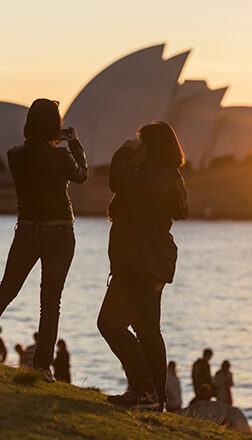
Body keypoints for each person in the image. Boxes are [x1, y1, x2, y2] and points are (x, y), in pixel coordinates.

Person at [0, 98, 88, 383]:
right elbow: (82, 176)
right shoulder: (62, 156)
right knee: (51, 303)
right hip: (59, 232)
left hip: (26, 229)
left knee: (6, 289)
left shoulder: (14, 154)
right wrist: (74, 144)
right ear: (56, 124)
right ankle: (42, 366)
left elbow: (35, 160)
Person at [98, 121, 188, 411]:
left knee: (110, 324)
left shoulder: (155, 176)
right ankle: (153, 399)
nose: (138, 146)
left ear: (154, 147)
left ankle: (145, 390)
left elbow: (118, 181)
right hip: (149, 261)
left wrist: (124, 152)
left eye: (141, 142)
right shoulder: (164, 176)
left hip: (141, 263)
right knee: (148, 329)